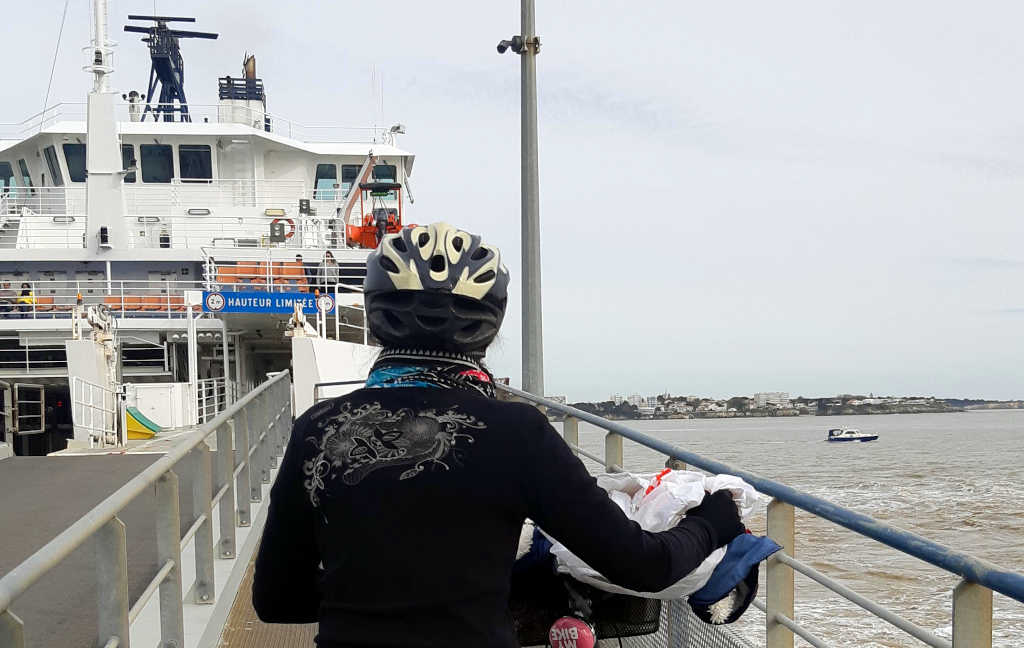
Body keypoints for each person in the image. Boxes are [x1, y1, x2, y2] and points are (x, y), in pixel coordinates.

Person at [253, 222, 744, 648]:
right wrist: (716, 519)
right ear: (487, 330)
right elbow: (644, 566)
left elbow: (277, 599)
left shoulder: (317, 429)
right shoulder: (517, 432)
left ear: (379, 316)